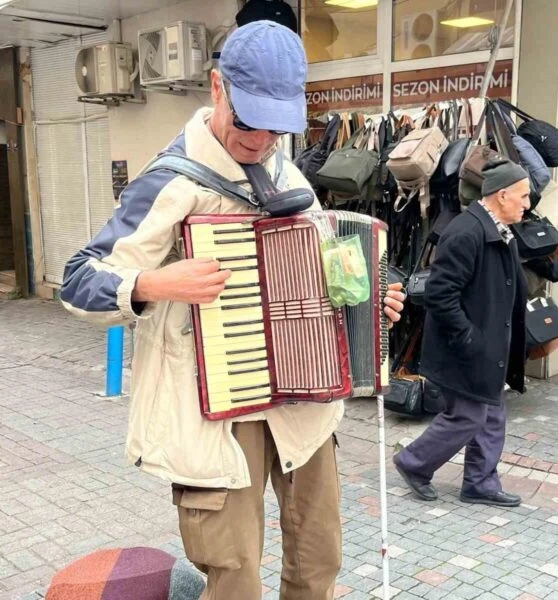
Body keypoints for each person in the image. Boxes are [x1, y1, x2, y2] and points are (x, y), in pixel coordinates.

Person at [60, 21, 404, 600]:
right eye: (250, 120)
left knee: (320, 559)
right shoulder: (168, 182)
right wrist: (155, 281)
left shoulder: (286, 172)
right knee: (234, 574)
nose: (262, 138)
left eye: (279, 125)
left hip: (303, 402)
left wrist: (372, 295)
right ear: (218, 88)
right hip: (213, 412)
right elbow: (78, 279)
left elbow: (328, 270)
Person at [393, 158, 530, 508]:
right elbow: (440, 294)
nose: (527, 204)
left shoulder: (498, 229)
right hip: (466, 348)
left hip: (488, 346)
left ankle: (481, 482)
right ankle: (414, 462)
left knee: (492, 413)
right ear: (502, 195)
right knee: (467, 417)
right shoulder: (467, 232)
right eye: (523, 196)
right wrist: (469, 337)